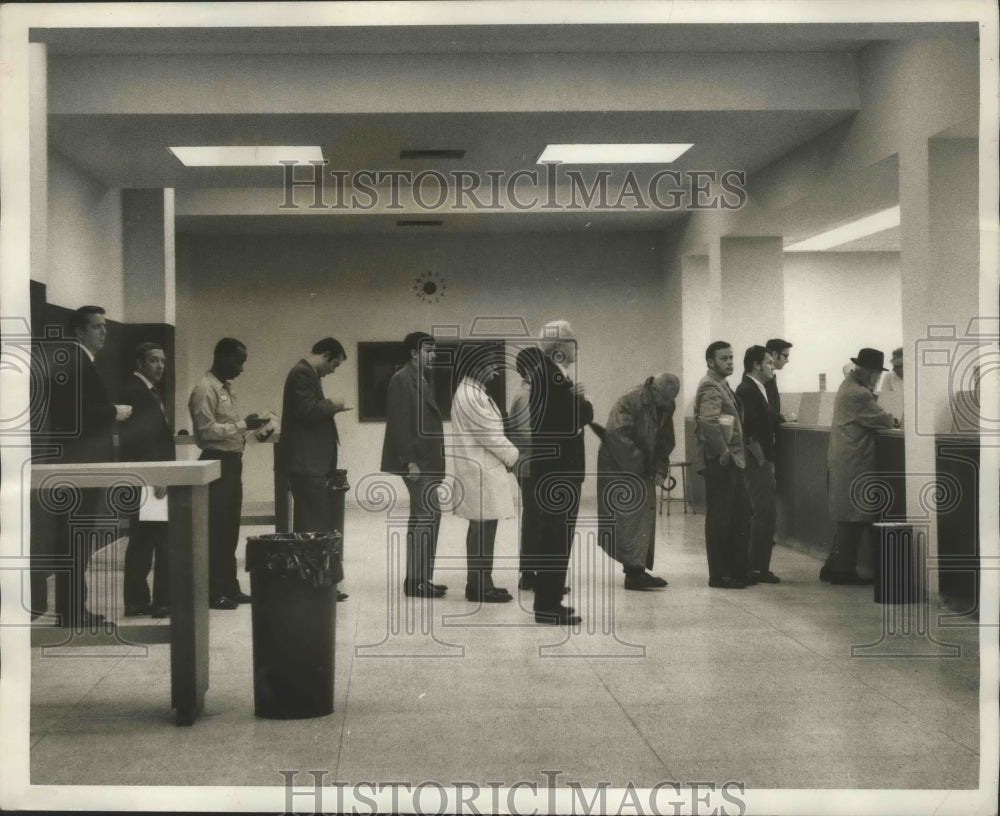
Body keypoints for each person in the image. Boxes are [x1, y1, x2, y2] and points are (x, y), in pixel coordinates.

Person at [31, 306, 133, 627]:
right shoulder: (76, 361)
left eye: (105, 326)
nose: (104, 332)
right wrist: (113, 412)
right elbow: (78, 414)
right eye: (96, 327)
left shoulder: (76, 360)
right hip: (79, 462)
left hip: (76, 461)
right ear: (79, 331)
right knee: (76, 537)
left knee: (75, 537)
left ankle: (72, 608)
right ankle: (72, 611)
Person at [188, 338, 266, 610]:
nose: (241, 368)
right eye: (238, 360)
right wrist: (244, 425)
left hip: (232, 463)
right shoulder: (204, 389)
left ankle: (229, 587)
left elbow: (226, 427)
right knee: (217, 530)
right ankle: (214, 591)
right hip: (215, 462)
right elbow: (206, 431)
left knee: (230, 529)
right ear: (220, 356)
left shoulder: (225, 389)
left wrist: (248, 427)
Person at [524, 320, 593, 625]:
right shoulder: (551, 377)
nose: (576, 346)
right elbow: (573, 420)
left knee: (556, 537)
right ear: (560, 347)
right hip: (559, 470)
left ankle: (550, 601)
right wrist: (582, 401)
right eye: (573, 340)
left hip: (553, 469)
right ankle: (547, 606)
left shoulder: (550, 376)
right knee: (556, 538)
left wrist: (577, 399)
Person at [277, 337, 351, 602]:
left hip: (310, 464)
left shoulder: (307, 374)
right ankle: (314, 586)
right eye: (335, 364)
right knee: (313, 524)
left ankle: (317, 582)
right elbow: (307, 411)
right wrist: (334, 404)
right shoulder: (302, 374)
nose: (333, 370)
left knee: (315, 523)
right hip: (305, 464)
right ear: (327, 355)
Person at [449, 344, 520, 603]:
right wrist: (514, 456)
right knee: (481, 528)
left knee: (486, 526)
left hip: (481, 470)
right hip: (478, 472)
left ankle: (483, 581)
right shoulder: (470, 395)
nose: (495, 371)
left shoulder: (473, 392)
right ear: (477, 367)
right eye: (491, 365)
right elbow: (490, 435)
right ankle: (478, 586)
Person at [821, 348, 898, 584]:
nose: (876, 379)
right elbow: (884, 420)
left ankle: (833, 567)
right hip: (854, 462)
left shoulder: (849, 386)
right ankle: (842, 572)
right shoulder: (859, 394)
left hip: (846, 459)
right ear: (871, 372)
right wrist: (892, 418)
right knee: (853, 518)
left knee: (848, 517)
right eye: (876, 374)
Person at [380, 331, 448, 598]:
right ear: (413, 352)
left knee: (424, 518)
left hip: (428, 460)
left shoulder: (420, 378)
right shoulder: (401, 380)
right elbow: (398, 424)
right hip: (417, 462)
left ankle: (418, 579)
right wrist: (409, 461)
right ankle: (418, 580)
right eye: (429, 350)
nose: (434, 355)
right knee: (428, 516)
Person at [596, 373, 678, 590]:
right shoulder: (630, 400)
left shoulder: (667, 404)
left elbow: (666, 439)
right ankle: (633, 572)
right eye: (664, 399)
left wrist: (660, 466)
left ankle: (636, 570)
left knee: (643, 514)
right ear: (654, 388)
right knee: (628, 516)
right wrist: (642, 465)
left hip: (642, 464)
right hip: (618, 462)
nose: (667, 404)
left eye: (671, 400)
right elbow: (616, 435)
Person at [119, 341, 175, 618]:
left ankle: (137, 600)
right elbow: (142, 440)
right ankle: (163, 602)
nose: (160, 366)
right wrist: (158, 475)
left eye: (163, 361)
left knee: (141, 539)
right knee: (161, 538)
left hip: (144, 476)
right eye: (154, 360)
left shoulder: (146, 391)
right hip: (149, 477)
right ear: (140, 363)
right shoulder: (137, 391)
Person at [693, 340, 752, 589]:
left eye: (731, 357)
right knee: (722, 518)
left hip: (732, 460)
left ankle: (737, 570)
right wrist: (723, 452)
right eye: (724, 358)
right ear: (711, 362)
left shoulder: (721, 384)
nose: (730, 362)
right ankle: (721, 574)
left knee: (739, 514)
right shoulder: (710, 385)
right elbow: (708, 421)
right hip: (722, 461)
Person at [735, 346, 781, 584]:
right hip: (756, 459)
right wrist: (762, 459)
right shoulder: (747, 390)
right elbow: (749, 429)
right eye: (770, 362)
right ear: (756, 365)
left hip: (759, 458)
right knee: (765, 512)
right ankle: (757, 567)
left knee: (764, 512)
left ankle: (757, 566)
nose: (773, 367)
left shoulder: (758, 388)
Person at [507, 346, 544, 589]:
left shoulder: (535, 394)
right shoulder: (525, 396)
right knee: (535, 519)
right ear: (531, 369)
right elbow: (523, 435)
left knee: (539, 518)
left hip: (535, 464)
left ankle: (536, 573)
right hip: (531, 465)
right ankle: (529, 574)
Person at [764, 338, 796, 423]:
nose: (787, 360)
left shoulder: (770, 376)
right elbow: (763, 412)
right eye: (785, 356)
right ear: (774, 354)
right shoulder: (763, 378)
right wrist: (783, 418)